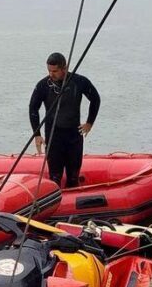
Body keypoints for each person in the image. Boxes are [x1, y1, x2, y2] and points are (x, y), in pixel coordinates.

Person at [29, 52, 100, 188]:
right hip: (54, 137)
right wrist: (37, 135)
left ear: (65, 68)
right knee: (55, 177)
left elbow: (95, 99)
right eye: (49, 70)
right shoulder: (43, 85)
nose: (51, 74)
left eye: (55, 71)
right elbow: (33, 108)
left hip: (74, 136)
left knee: (73, 178)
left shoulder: (79, 81)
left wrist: (89, 122)